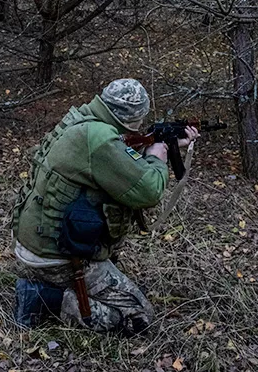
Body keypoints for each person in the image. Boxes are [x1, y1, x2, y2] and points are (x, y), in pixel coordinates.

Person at [10, 78, 197, 335]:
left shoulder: (82, 121)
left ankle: (49, 288)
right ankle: (45, 299)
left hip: (36, 243)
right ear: (132, 118)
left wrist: (166, 144)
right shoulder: (100, 139)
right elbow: (149, 190)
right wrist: (156, 156)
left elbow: (116, 158)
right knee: (139, 319)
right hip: (56, 257)